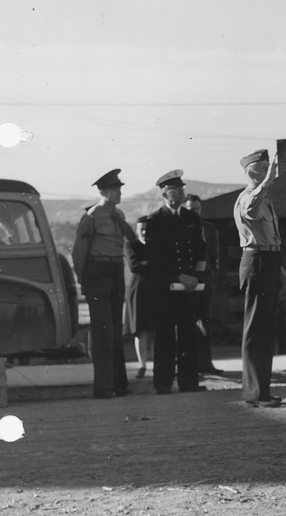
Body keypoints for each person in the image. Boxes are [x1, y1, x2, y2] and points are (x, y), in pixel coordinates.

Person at [72, 169, 136, 399]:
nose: (119, 192)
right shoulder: (92, 216)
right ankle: (103, 388)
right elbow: (79, 251)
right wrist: (83, 279)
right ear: (103, 192)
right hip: (97, 272)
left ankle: (119, 384)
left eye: (119, 188)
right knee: (102, 331)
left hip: (116, 270)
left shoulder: (119, 214)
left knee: (116, 330)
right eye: (115, 189)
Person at [145, 170, 208, 395]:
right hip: (166, 287)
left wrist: (197, 277)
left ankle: (188, 382)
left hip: (189, 287)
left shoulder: (192, 218)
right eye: (176, 190)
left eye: (182, 189)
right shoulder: (154, 221)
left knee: (188, 335)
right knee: (165, 336)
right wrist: (179, 276)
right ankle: (163, 383)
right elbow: (156, 258)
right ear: (164, 192)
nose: (181, 193)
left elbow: (201, 251)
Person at [235, 149, 283, 407]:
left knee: (265, 329)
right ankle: (255, 393)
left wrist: (280, 270)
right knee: (256, 329)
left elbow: (269, 237)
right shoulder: (248, 198)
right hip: (258, 261)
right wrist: (264, 185)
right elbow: (252, 212)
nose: (270, 174)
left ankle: (261, 390)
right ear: (251, 172)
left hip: (269, 260)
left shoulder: (264, 196)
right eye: (264, 169)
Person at [184, 194, 223, 375]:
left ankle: (206, 364)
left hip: (206, 280)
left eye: (198, 209)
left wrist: (211, 276)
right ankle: (189, 365)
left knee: (204, 321)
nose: (195, 212)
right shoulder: (181, 227)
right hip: (187, 281)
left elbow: (214, 256)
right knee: (188, 322)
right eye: (192, 209)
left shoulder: (209, 228)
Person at [123, 215, 154, 379]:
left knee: (156, 329)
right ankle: (142, 365)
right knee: (140, 330)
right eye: (141, 229)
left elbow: (160, 264)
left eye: (146, 229)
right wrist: (150, 264)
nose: (143, 232)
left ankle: (158, 365)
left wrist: (147, 263)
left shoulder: (156, 245)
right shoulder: (131, 245)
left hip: (155, 290)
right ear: (136, 230)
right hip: (138, 291)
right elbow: (134, 266)